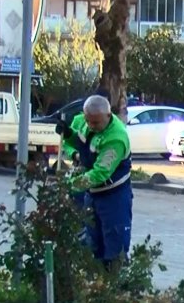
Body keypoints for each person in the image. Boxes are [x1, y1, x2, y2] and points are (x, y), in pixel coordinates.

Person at [55, 95, 133, 267]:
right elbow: (84, 145)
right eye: (88, 121)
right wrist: (68, 134)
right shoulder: (87, 123)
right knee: (91, 242)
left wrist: (68, 185)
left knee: (114, 246)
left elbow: (99, 174)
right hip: (92, 195)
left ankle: (113, 285)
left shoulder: (116, 138)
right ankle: (94, 284)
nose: (91, 126)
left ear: (108, 115)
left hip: (113, 197)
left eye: (96, 123)